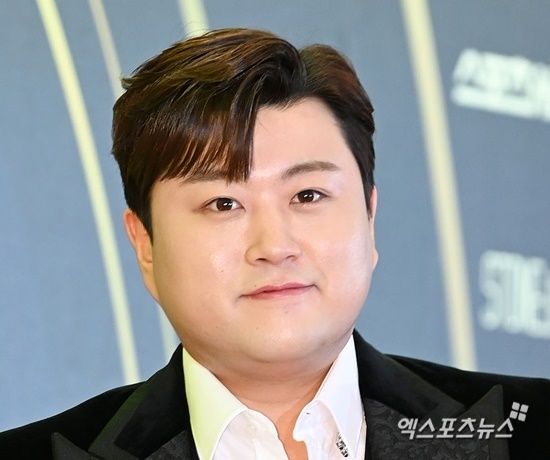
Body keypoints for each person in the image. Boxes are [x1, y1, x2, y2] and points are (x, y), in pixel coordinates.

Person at [1, 28, 548, 460]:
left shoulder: (529, 429)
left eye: (308, 195)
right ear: (145, 243)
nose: (274, 245)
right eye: (223, 204)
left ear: (369, 217)